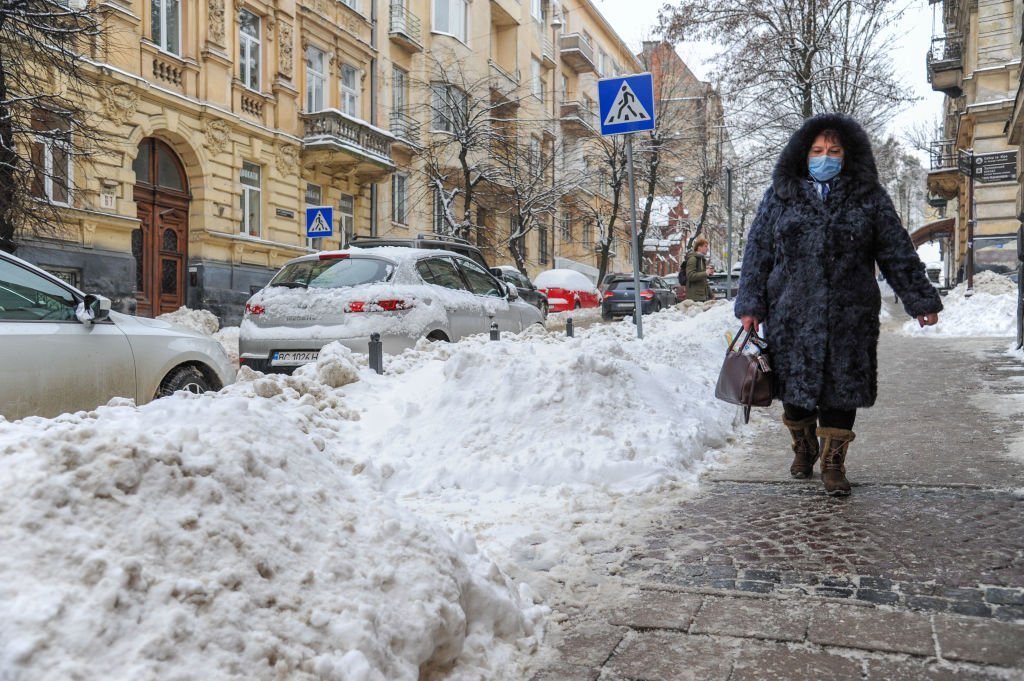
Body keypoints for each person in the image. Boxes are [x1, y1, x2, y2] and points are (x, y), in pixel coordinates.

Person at [734, 113, 941, 497]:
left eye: (833, 150)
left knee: (841, 391)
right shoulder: (781, 195)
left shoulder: (869, 197)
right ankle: (804, 444)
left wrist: (919, 298)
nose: (825, 156)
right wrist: (751, 304)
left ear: (847, 156)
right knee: (795, 396)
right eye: (816, 150)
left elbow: (896, 251)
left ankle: (834, 462)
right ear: (802, 154)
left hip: (850, 313)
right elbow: (757, 253)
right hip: (791, 314)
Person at [684, 237, 714, 302]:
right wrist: (705, 273)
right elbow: (690, 276)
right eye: (705, 246)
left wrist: (711, 295)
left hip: (702, 297)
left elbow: (704, 280)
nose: (707, 249)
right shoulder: (693, 259)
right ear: (699, 247)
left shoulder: (701, 259)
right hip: (694, 298)